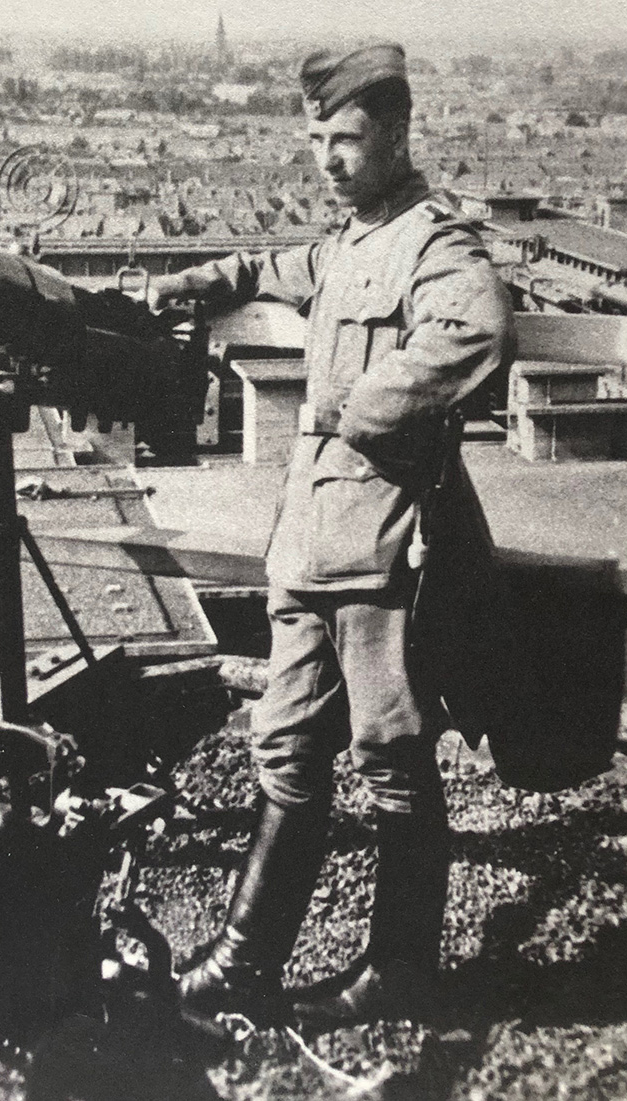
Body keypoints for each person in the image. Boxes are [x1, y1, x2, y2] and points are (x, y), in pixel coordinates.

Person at [150, 43, 516, 1026]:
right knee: (283, 743)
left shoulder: (431, 242)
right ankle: (242, 963)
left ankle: (399, 970)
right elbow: (279, 267)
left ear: (395, 134)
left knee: (390, 755)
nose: (327, 158)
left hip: (384, 546)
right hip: (308, 542)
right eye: (316, 140)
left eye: (345, 138)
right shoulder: (349, 240)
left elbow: (480, 331)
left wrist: (357, 408)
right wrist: (201, 280)